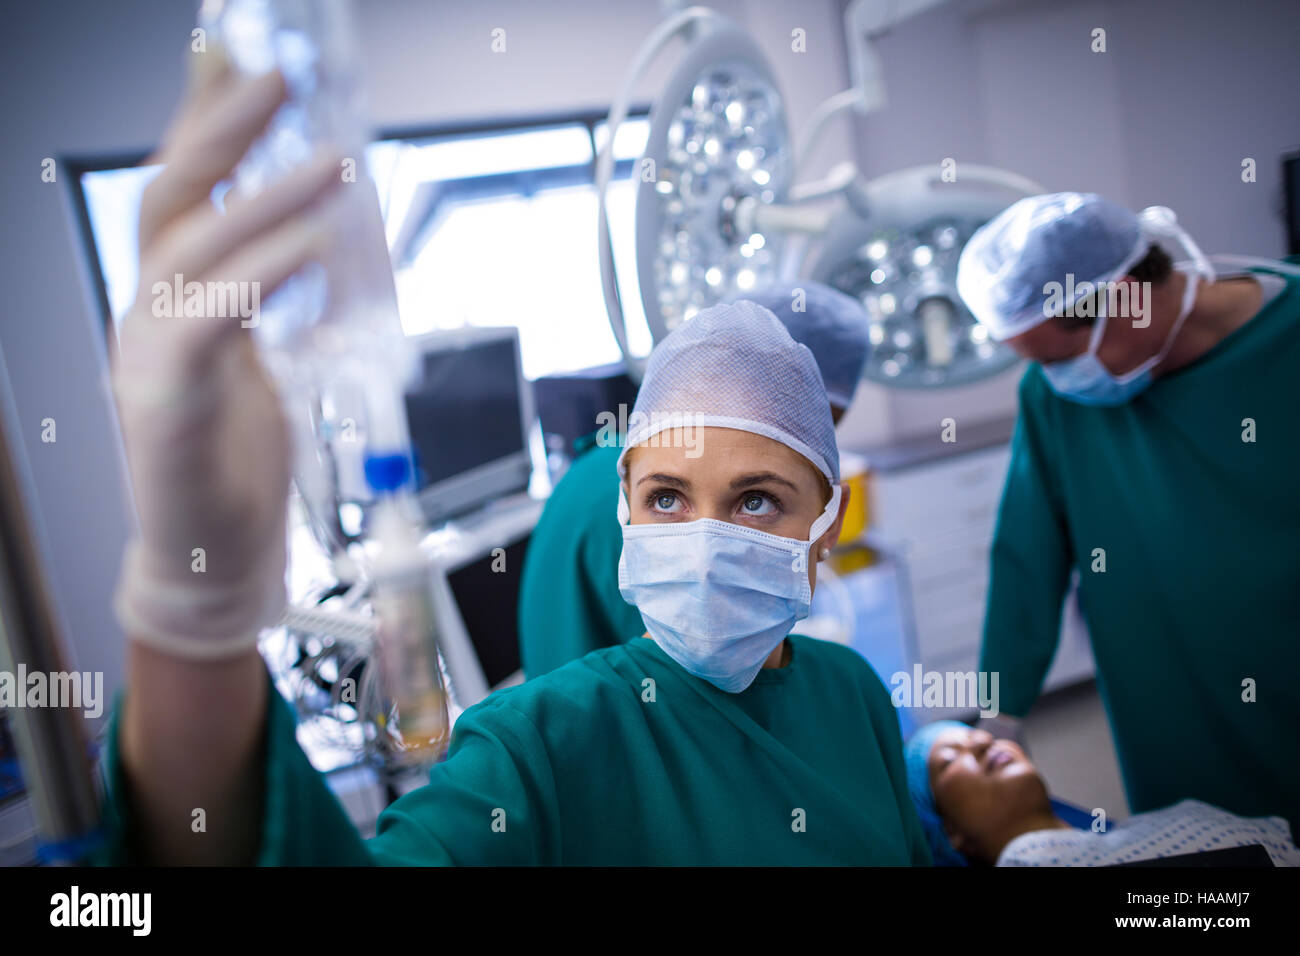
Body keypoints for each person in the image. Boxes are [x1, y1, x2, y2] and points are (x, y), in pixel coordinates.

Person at [98, 56, 929, 864]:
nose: (706, 541)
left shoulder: (851, 692)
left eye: (756, 501)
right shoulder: (538, 747)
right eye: (667, 499)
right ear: (625, 508)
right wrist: (195, 611)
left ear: (829, 525)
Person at [955, 192, 1300, 835]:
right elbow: (1027, 555)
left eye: (1056, 358)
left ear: (1125, 302)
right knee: (1205, 872)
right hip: (1169, 689)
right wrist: (1000, 713)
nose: (1052, 378)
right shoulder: (1057, 400)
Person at [518, 282, 870, 678]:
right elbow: (694, 683)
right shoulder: (620, 499)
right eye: (811, 414)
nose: (815, 439)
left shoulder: (621, 464)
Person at [904, 721, 1300, 867]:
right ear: (951, 832)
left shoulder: (1147, 826)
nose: (980, 743)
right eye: (949, 759)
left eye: (976, 733)